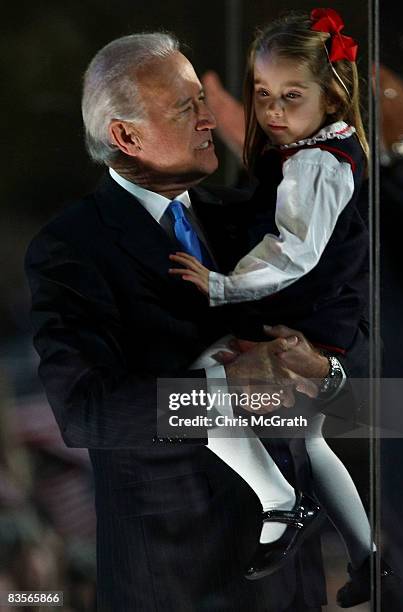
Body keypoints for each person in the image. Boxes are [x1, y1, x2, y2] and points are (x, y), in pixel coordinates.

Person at [25, 30, 369, 611]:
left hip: (294, 588)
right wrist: (224, 392)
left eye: (203, 102)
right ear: (125, 136)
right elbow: (86, 414)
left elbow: (356, 365)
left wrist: (325, 371)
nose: (209, 118)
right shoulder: (71, 249)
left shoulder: (257, 219)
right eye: (187, 107)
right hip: (176, 582)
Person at [169, 9, 395, 607]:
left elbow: (293, 251)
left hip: (313, 321)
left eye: (290, 96)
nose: (272, 111)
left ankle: (282, 502)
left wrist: (220, 286)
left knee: (200, 387)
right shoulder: (309, 148)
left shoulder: (318, 163)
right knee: (309, 440)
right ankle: (370, 559)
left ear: (333, 98)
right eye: (263, 94)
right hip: (321, 315)